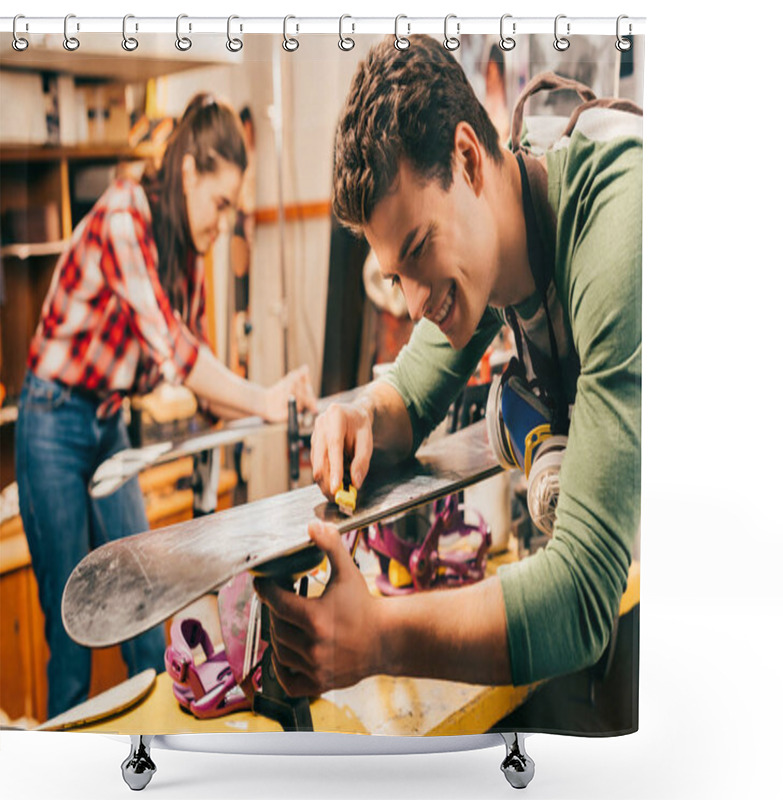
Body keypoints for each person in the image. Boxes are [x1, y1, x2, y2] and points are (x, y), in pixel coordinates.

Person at [257, 36, 641, 699]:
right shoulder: (495, 242)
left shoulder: (617, 226)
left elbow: (582, 595)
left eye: (417, 248)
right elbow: (405, 397)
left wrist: (377, 637)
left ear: (468, 158)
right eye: (394, 276)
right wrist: (354, 417)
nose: (412, 304)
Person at [15, 93, 316, 719]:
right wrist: (264, 398)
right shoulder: (127, 213)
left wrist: (279, 408)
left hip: (107, 423)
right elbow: (180, 356)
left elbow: (203, 378)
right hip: (52, 417)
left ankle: (157, 763)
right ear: (188, 174)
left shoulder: (185, 254)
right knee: (70, 627)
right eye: (222, 203)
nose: (225, 220)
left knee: (144, 603)